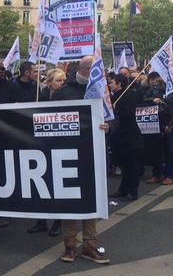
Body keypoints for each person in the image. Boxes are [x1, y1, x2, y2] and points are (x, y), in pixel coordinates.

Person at [52, 56, 110, 264]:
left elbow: (114, 118)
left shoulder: (101, 91)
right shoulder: (64, 92)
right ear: (84, 69)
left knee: (91, 200)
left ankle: (90, 245)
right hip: (67, 155)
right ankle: (69, 246)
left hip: (92, 155)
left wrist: (109, 126)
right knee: (69, 201)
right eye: (96, 69)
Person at [27, 68, 65, 236]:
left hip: (59, 146)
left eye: (63, 80)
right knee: (41, 185)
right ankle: (41, 221)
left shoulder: (67, 96)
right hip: (41, 146)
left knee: (58, 185)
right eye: (58, 81)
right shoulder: (40, 95)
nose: (62, 84)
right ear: (49, 82)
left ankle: (58, 221)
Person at [107, 74, 143, 201]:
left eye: (112, 82)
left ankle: (132, 191)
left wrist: (115, 112)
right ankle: (123, 189)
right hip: (120, 138)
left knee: (131, 166)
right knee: (124, 166)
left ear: (120, 84)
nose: (110, 84)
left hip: (129, 137)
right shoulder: (115, 96)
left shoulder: (129, 96)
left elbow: (128, 115)